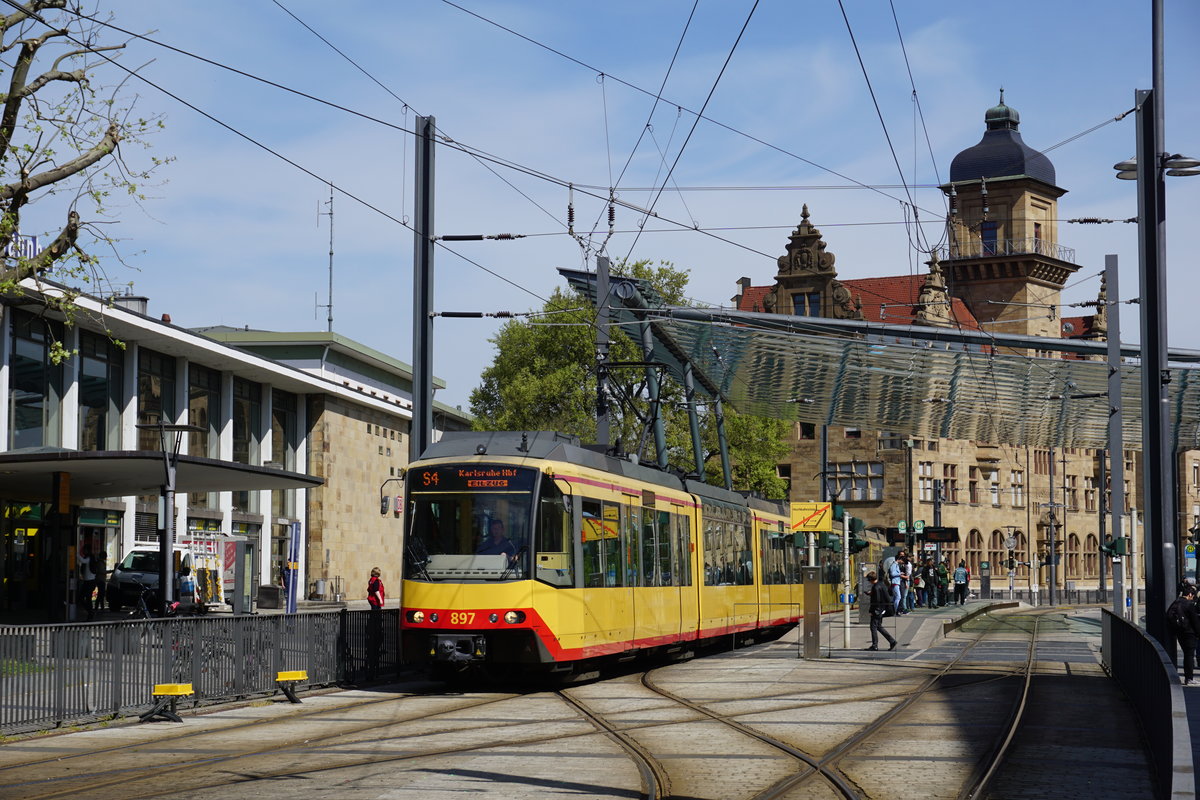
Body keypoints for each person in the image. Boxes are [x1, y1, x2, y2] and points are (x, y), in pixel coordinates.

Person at [1168, 584, 1200, 686]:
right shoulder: (1189, 605)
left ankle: (1188, 677)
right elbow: (1195, 621)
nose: (1192, 598)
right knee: (1189, 655)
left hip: (1179, 632)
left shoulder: (1176, 602)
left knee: (1187, 654)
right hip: (1189, 633)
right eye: (1193, 596)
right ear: (1190, 594)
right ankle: (1189, 678)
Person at [866, 571, 897, 652]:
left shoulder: (875, 587)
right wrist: (871, 594)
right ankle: (892, 641)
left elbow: (877, 600)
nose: (869, 582)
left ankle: (875, 645)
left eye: (869, 580)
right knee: (879, 626)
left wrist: (872, 611)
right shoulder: (881, 584)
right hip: (882, 609)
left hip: (877, 610)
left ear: (871, 579)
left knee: (873, 627)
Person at [366, 567, 385, 675]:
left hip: (372, 599)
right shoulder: (376, 581)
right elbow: (377, 590)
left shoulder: (371, 579)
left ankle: (375, 622)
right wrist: (381, 600)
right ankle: (376, 624)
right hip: (375, 601)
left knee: (375, 612)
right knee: (376, 612)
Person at [77, 543, 97, 621]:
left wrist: (76, 554)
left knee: (85, 598)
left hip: (89, 582)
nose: (84, 551)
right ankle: (90, 612)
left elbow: (83, 561)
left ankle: (90, 613)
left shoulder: (89, 558)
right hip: (88, 581)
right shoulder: (90, 557)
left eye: (84, 550)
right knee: (85, 598)